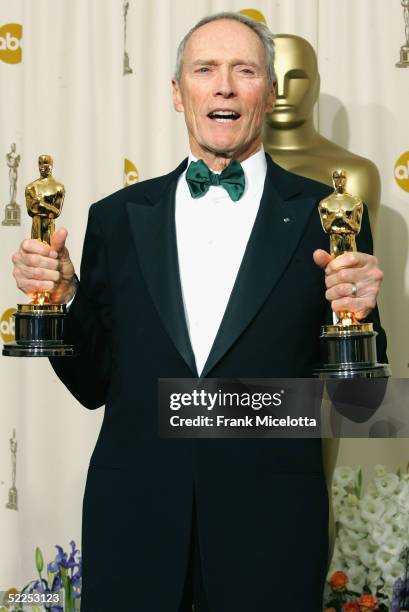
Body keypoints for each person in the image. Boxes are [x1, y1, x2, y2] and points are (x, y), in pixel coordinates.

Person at [11, 12, 387, 612]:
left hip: (271, 529)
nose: (224, 86)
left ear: (267, 92)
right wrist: (64, 302)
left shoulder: (328, 213)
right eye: (205, 69)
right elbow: (93, 384)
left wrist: (359, 315)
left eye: (245, 71)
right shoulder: (116, 217)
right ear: (177, 92)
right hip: (133, 522)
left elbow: (359, 405)